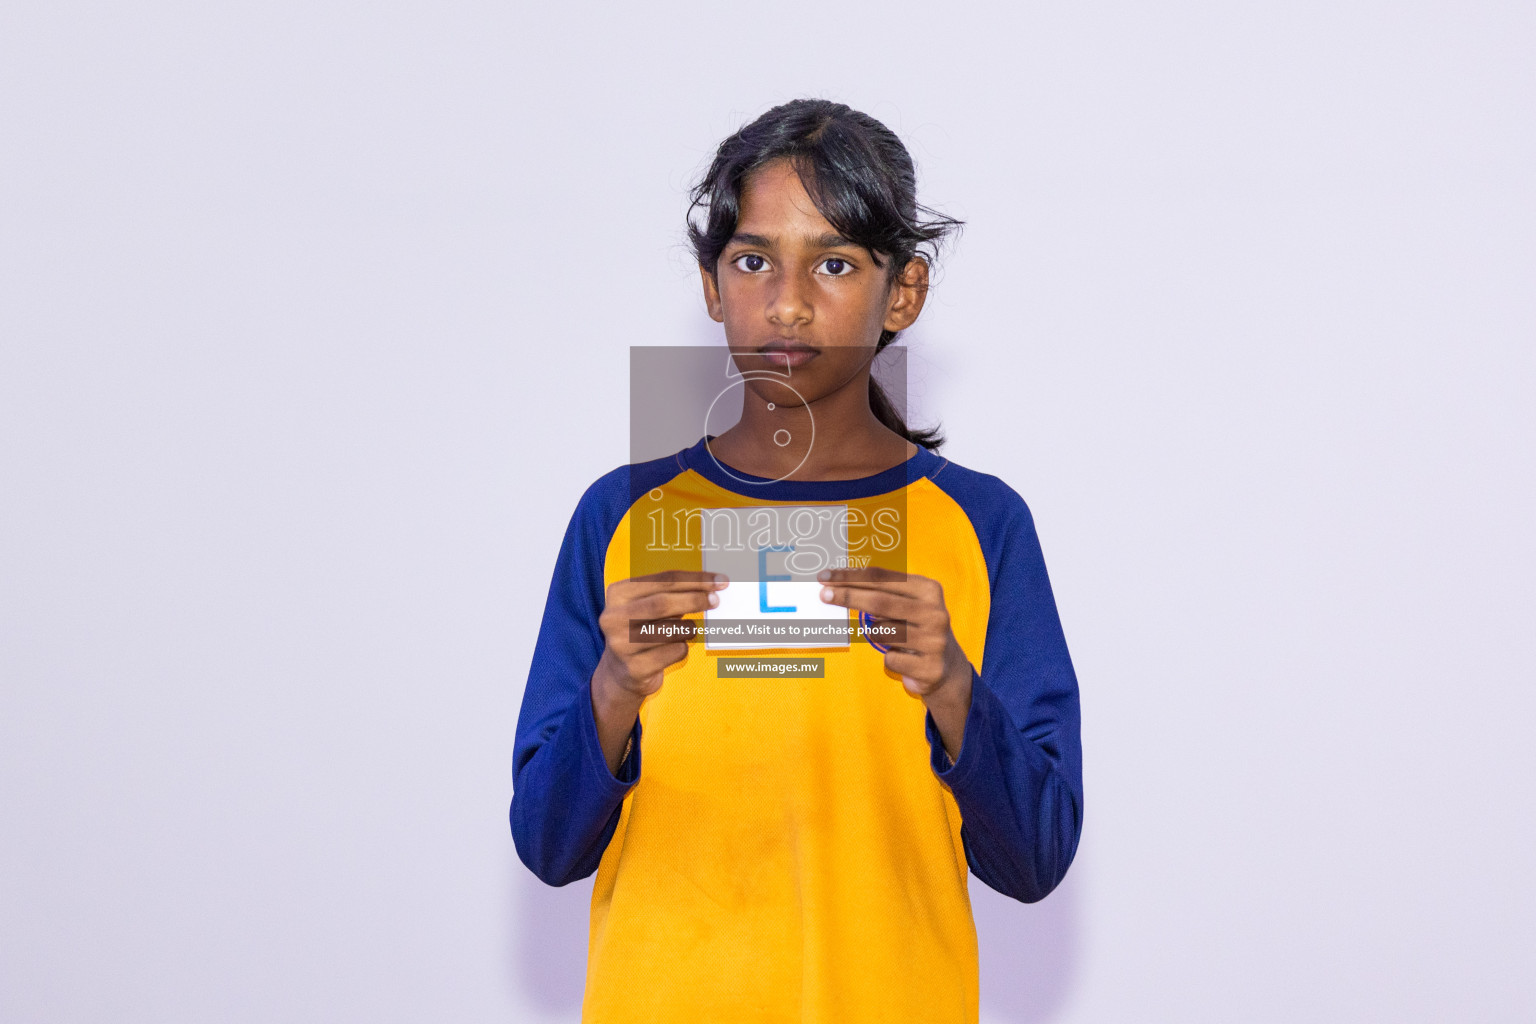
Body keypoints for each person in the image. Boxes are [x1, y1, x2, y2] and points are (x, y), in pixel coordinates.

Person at [511, 98, 1083, 1023]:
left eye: (834, 263)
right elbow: (546, 845)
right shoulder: (623, 517)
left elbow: (1036, 858)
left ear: (904, 293)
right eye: (752, 260)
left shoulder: (980, 524)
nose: (787, 301)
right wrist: (613, 692)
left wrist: (954, 690)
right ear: (711, 285)